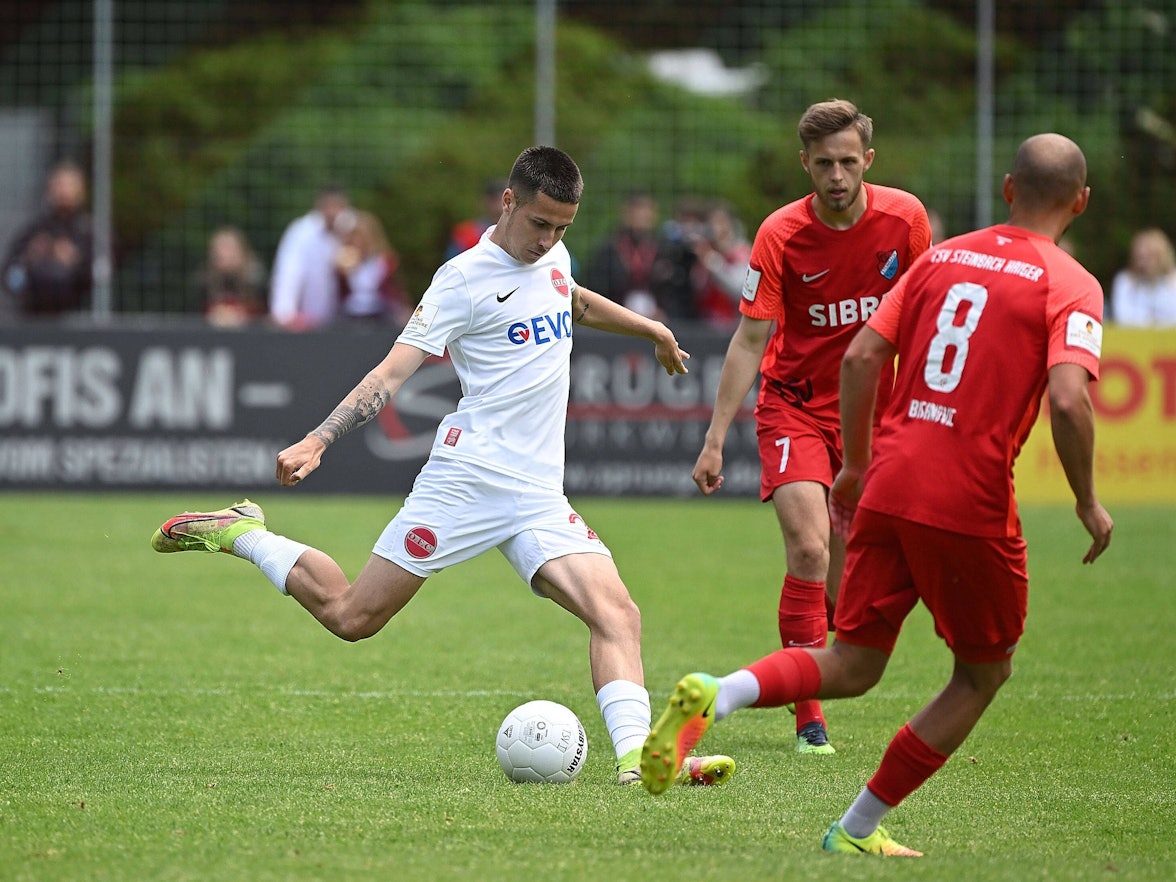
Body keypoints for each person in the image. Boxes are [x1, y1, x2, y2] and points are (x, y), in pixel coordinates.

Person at [150, 146, 735, 788]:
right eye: (540, 224)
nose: (548, 240)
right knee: (351, 618)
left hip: (538, 494)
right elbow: (389, 374)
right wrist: (318, 439)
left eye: (562, 228)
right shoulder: (461, 281)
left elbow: (571, 300)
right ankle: (242, 532)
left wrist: (651, 329)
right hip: (467, 481)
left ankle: (640, 763)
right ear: (508, 202)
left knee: (618, 614)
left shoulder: (554, 255)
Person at [640, 134, 1114, 858]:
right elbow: (1070, 399)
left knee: (856, 661)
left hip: (890, 473)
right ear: (1080, 202)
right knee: (983, 672)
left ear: (1009, 189)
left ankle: (720, 690)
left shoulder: (943, 256)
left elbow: (863, 353)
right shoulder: (1072, 283)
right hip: (968, 494)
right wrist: (1086, 499)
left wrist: (859, 465)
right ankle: (855, 823)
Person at [691, 99, 932, 755]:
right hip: (793, 406)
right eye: (824, 164)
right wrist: (715, 438)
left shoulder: (906, 220)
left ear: (868, 160)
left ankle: (803, 658)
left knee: (842, 585)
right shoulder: (780, 233)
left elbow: (924, 322)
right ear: (805, 164)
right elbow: (750, 340)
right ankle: (809, 719)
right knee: (808, 548)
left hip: (871, 419)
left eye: (848, 162)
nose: (836, 176)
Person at [1, 160, 94, 316]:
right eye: (59, 184)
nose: (64, 191)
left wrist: (76, 262)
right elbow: (9, 277)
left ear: (81, 191)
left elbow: (103, 275)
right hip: (33, 315)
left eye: (70, 185)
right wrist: (28, 259)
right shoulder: (34, 230)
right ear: (49, 189)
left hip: (79, 314)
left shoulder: (89, 232)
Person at [584, 191, 695, 321]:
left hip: (659, 321)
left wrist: (666, 314)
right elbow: (596, 291)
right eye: (636, 211)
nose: (641, 216)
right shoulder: (608, 251)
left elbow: (679, 294)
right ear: (625, 213)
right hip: (616, 320)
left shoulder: (666, 251)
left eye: (645, 210)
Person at [269, 185, 355, 331]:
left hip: (342, 320)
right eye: (329, 206)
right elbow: (289, 274)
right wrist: (284, 314)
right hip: (307, 319)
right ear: (319, 206)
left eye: (337, 206)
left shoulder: (353, 229)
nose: (332, 212)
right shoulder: (301, 232)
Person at [335, 209, 413, 327]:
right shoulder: (345, 260)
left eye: (361, 237)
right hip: (350, 315)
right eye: (354, 236)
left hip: (380, 315)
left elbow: (396, 292)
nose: (358, 241)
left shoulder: (385, 262)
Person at [689, 199, 752, 330]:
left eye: (720, 222)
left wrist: (713, 262)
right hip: (705, 324)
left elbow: (739, 289)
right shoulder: (706, 249)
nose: (715, 227)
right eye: (711, 222)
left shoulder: (740, 251)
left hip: (732, 326)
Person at [196, 226, 267, 327]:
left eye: (229, 249)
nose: (224, 254)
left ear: (243, 252)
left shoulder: (257, 285)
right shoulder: (203, 285)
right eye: (220, 249)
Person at [1110, 227, 1176, 327]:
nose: (1144, 263)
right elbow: (1122, 318)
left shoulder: (1173, 280)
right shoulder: (1125, 281)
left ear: (1161, 256)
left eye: (1150, 256)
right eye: (1140, 257)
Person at [444, 179, 505, 260]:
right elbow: (452, 261)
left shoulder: (516, 234)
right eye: (495, 199)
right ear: (485, 201)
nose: (499, 205)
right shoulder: (466, 233)